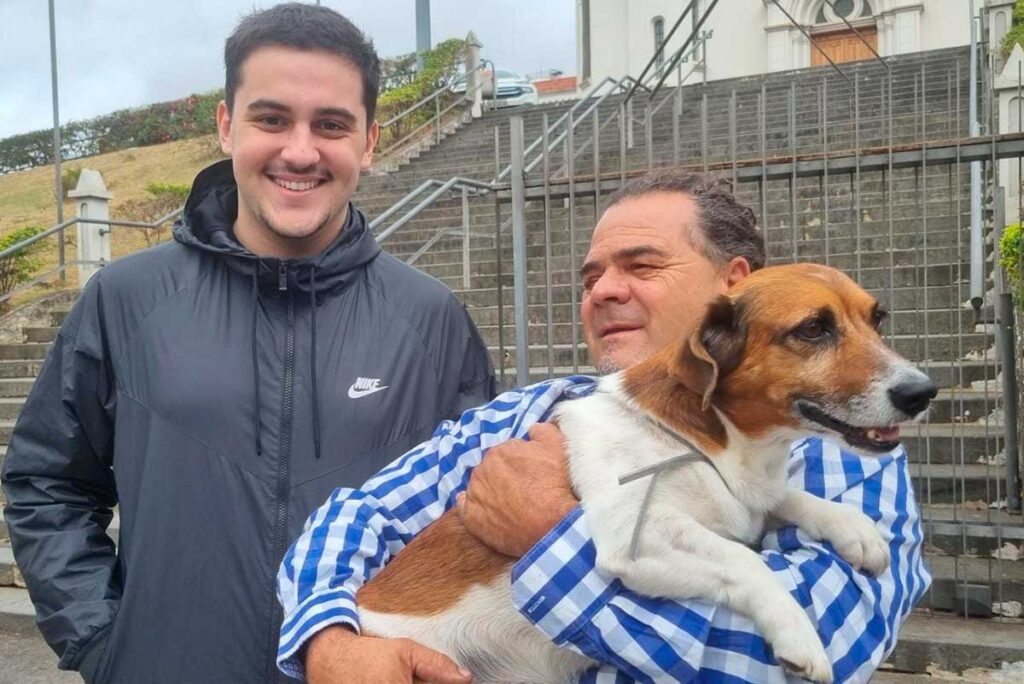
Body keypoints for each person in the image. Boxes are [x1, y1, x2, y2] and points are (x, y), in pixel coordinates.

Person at [1, 5, 495, 683]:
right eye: (271, 119)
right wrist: (104, 644)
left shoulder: (431, 318)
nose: (299, 150)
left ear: (370, 141)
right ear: (228, 126)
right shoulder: (127, 301)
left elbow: (477, 515)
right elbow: (46, 483)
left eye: (331, 125)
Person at [277, 171, 930, 683]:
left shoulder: (842, 448)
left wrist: (549, 534)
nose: (603, 292)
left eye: (641, 267)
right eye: (591, 278)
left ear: (736, 284)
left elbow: (819, 662)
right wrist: (331, 641)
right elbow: (355, 515)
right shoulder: (526, 415)